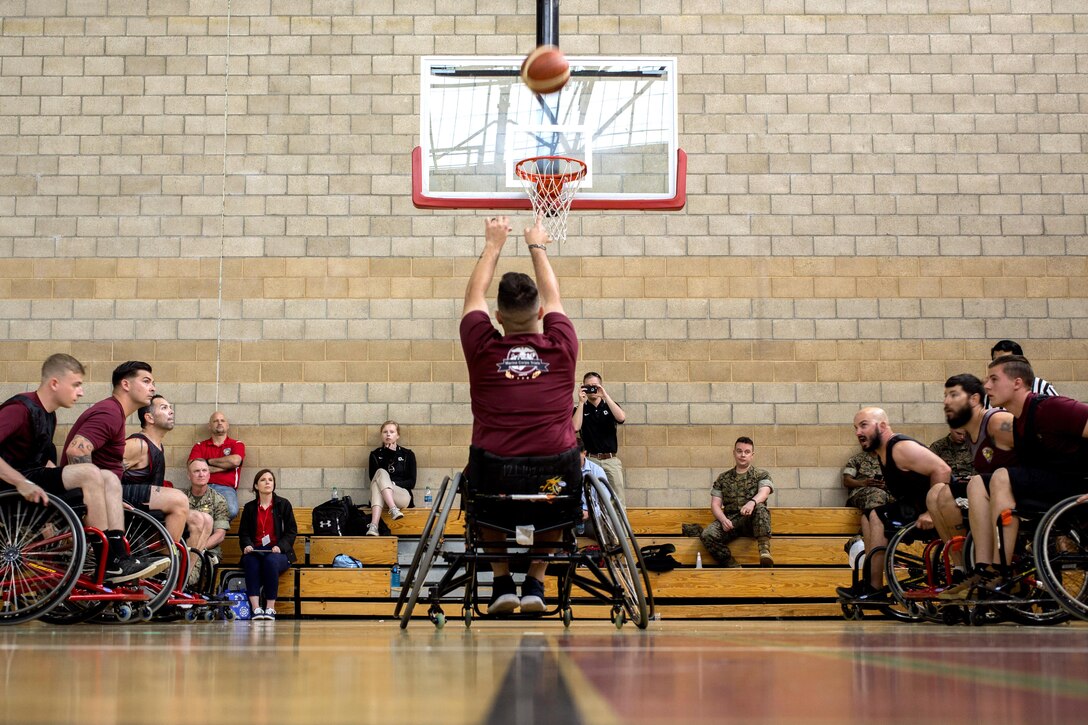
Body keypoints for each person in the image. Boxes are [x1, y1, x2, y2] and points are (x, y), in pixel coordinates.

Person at [460, 215, 579, 615]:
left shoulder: (481, 347)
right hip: (553, 477)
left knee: (480, 486)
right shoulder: (561, 345)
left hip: (494, 476)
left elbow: (471, 298)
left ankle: (500, 582)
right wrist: (537, 245)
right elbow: (555, 296)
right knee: (563, 492)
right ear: (542, 312)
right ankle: (537, 581)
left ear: (496, 316)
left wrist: (493, 244)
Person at [0, 354, 165, 583]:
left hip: (32, 479)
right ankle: (106, 561)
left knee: (107, 478)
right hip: (9, 487)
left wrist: (108, 498)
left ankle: (117, 557)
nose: (81, 392)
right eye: (76, 385)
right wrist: (20, 482)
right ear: (55, 383)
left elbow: (43, 465)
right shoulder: (20, 408)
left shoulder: (48, 416)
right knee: (92, 473)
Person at [941, 356, 1088, 598]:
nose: (987, 386)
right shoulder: (1019, 422)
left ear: (1017, 382)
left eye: (994, 379)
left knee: (1001, 477)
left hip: (1076, 487)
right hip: (1052, 486)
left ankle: (1002, 568)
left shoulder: (1051, 407)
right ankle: (984, 568)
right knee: (978, 482)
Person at [62, 361, 190, 543]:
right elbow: (76, 451)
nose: (152, 388)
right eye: (146, 382)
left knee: (197, 517)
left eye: (153, 383)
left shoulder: (117, 414)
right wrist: (99, 497)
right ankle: (166, 563)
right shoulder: (110, 412)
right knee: (178, 499)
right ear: (126, 384)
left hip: (112, 491)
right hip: (97, 494)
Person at [837, 407, 951, 599]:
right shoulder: (882, 453)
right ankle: (870, 582)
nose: (858, 432)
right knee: (867, 517)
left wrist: (932, 512)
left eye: (863, 425)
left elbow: (943, 470)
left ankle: (874, 588)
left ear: (882, 426)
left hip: (941, 507)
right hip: (914, 506)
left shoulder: (900, 447)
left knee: (877, 516)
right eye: (855, 427)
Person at [123, 394, 213, 548]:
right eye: (164, 408)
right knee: (179, 498)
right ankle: (168, 557)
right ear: (149, 418)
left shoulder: (158, 446)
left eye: (170, 408)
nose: (171, 411)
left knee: (203, 520)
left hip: (145, 507)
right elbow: (104, 470)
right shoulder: (138, 444)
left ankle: (185, 572)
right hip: (125, 500)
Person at [699, 437, 774, 568]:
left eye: (746, 452)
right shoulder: (723, 478)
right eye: (739, 451)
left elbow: (764, 492)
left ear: (752, 455)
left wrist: (752, 503)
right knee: (707, 534)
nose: (742, 455)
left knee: (760, 508)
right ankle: (730, 564)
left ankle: (764, 551)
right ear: (734, 453)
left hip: (751, 521)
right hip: (731, 522)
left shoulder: (761, 474)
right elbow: (715, 504)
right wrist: (723, 520)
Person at [239, 469, 297, 621]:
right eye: (263, 480)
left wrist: (281, 547)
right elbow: (244, 533)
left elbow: (291, 532)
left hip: (277, 551)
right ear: (256, 486)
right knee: (250, 562)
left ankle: (270, 608)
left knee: (270, 561)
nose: (267, 482)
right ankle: (256, 608)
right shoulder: (250, 508)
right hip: (256, 550)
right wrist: (247, 545)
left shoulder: (283, 504)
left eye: (270, 480)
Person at [573, 372, 627, 501]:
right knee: (591, 497)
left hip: (610, 459)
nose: (592, 389)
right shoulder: (580, 409)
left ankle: (617, 521)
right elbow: (575, 427)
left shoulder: (610, 405)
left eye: (595, 386)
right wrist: (581, 402)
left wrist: (605, 396)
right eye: (588, 386)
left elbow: (621, 418)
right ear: (583, 387)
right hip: (590, 460)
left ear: (601, 386)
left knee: (617, 498)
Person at [189, 411, 245, 519]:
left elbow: (235, 461)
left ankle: (213, 534)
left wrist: (208, 461)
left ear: (227, 425)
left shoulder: (237, 444)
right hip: (202, 487)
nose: (219, 423)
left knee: (231, 510)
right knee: (195, 515)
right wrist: (226, 467)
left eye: (222, 420)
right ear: (210, 426)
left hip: (226, 488)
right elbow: (192, 467)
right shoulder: (200, 446)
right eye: (215, 421)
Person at [366, 420, 416, 536]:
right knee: (380, 473)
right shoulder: (375, 454)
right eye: (385, 432)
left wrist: (392, 484)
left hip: (401, 496)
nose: (388, 434)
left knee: (380, 481)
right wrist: (387, 455)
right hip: (380, 498)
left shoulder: (407, 454)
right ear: (381, 435)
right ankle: (386, 515)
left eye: (392, 432)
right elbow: (372, 479)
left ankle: (375, 525)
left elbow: (412, 482)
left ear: (397, 435)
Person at [841, 448, 892, 549]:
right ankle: (869, 541)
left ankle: (861, 539)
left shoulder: (891, 460)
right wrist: (863, 483)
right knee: (877, 495)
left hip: (885, 494)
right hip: (861, 493)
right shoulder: (857, 459)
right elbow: (847, 481)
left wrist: (885, 486)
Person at [982, 339, 1057, 408]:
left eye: (1004, 361)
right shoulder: (989, 390)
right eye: (995, 361)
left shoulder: (1041, 386)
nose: (998, 365)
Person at [185, 458, 230, 561]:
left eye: (204, 470)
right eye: (196, 471)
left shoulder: (219, 500)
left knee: (194, 567)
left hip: (208, 551)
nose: (201, 474)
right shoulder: (181, 498)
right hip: (184, 548)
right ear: (189, 475)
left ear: (209, 474)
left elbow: (220, 534)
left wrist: (198, 549)